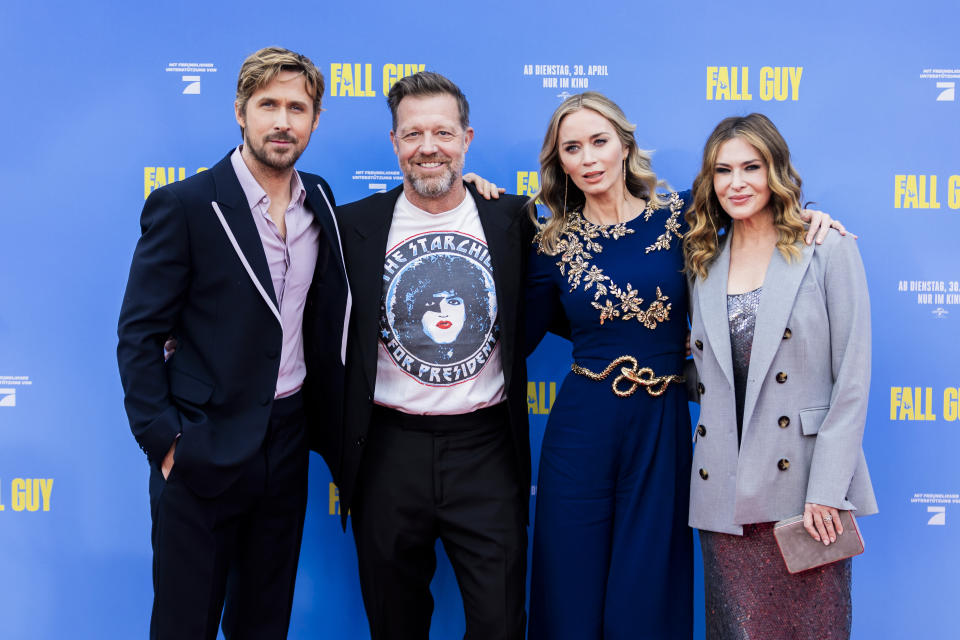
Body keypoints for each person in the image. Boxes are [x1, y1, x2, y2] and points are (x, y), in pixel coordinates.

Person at [521, 93, 842, 640]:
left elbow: (753, 213)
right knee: (568, 587)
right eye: (572, 148)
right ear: (560, 162)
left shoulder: (680, 216)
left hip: (662, 423)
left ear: (624, 145)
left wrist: (810, 218)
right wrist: (477, 193)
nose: (589, 157)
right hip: (581, 427)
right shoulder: (548, 242)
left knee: (647, 591)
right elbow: (524, 333)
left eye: (599, 141)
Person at [116, 47, 350, 640]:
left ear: (315, 120)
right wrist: (165, 443)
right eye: (267, 104)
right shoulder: (186, 204)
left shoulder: (318, 199)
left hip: (287, 440)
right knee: (184, 623)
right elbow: (139, 333)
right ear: (240, 113)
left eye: (297, 107)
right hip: (202, 442)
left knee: (263, 621)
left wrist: (472, 193)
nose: (282, 121)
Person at [334, 71, 533, 640]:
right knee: (394, 622)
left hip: (486, 448)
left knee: (499, 622)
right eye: (412, 133)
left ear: (467, 139)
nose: (428, 147)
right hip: (387, 450)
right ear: (394, 143)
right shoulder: (353, 226)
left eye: (442, 133)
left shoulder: (511, 219)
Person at [684, 113, 877, 640]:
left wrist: (827, 491)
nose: (737, 182)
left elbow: (852, 382)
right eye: (723, 171)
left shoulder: (826, 249)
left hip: (804, 496)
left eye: (752, 166)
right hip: (725, 496)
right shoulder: (703, 260)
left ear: (777, 172)